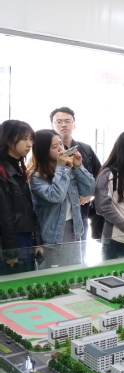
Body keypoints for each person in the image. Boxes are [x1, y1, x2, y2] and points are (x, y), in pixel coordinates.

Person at [28, 129, 95, 266]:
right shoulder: (36, 176)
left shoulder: (68, 170)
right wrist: (61, 167)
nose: (61, 149)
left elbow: (89, 190)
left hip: (74, 229)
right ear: (42, 151)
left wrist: (78, 167)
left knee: (74, 273)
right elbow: (56, 196)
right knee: (56, 275)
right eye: (54, 146)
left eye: (61, 144)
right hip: (53, 236)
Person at [50, 107, 102, 240]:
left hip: (82, 212)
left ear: (74, 125)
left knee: (81, 249)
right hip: (56, 217)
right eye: (59, 122)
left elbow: (101, 175)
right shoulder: (46, 152)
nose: (63, 125)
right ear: (52, 126)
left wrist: (90, 194)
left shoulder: (85, 149)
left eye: (67, 121)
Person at [0, 120, 43, 272]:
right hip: (11, 240)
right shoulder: (3, 171)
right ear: (9, 140)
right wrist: (10, 251)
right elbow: (4, 214)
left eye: (31, 139)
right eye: (24, 139)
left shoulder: (18, 167)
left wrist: (37, 241)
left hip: (24, 237)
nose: (29, 144)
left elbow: (29, 208)